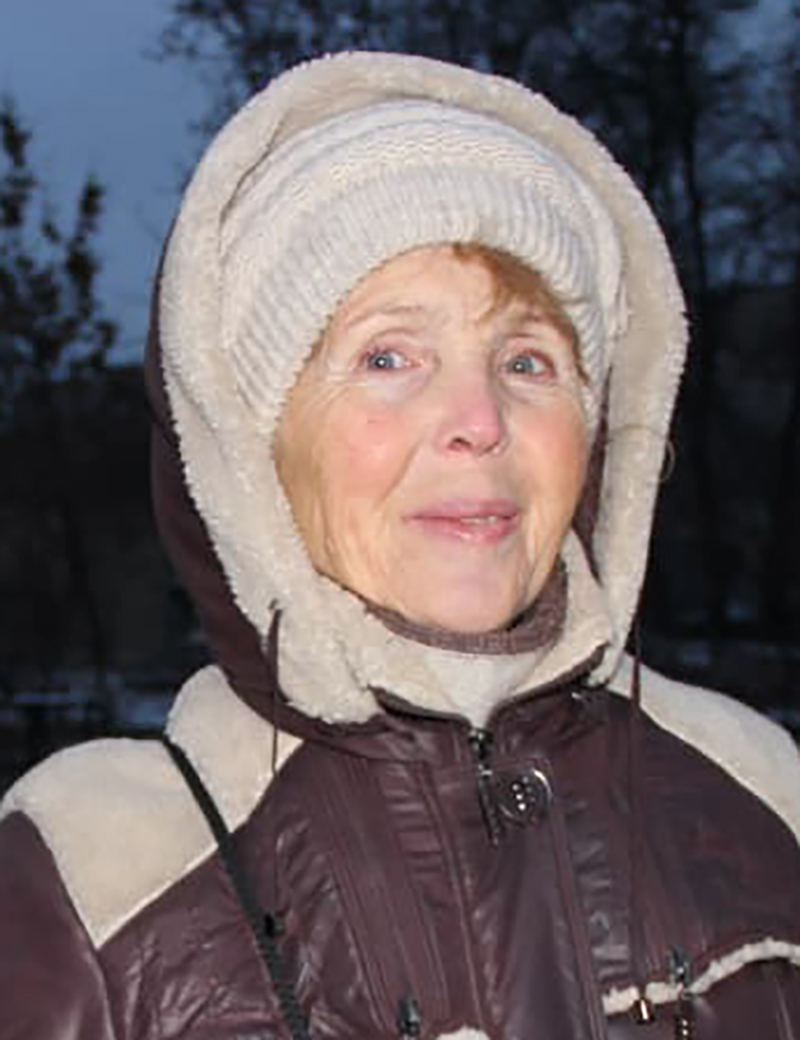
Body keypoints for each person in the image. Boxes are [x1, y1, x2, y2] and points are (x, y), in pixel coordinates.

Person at [1, 51, 798, 1040]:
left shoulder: (763, 790)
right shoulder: (90, 879)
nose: (479, 420)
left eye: (527, 360)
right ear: (253, 447)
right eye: (387, 356)